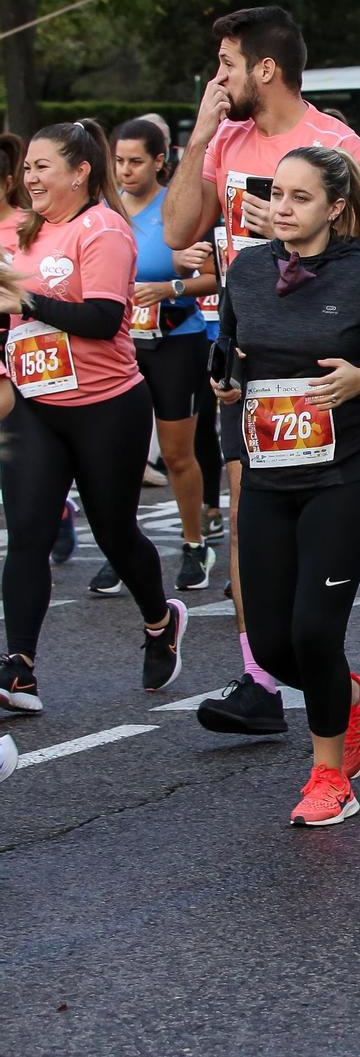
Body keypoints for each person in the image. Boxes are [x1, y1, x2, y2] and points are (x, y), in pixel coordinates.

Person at [159, 6, 360, 738]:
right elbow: (177, 231)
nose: (218, 77)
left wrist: (294, 231)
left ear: (265, 68)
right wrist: (201, 135)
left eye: (227, 64)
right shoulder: (226, 139)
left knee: (353, 516)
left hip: (327, 353)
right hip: (248, 351)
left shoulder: (335, 144)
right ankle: (260, 677)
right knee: (247, 501)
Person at [214, 147, 360, 825]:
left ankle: (330, 774)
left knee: (315, 629)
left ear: (335, 207)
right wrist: (226, 377)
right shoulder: (247, 270)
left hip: (346, 473)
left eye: (299, 197)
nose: (282, 206)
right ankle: (352, 694)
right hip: (270, 473)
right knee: (274, 645)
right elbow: (230, 351)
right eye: (277, 193)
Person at [0, 122, 187, 714]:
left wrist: (26, 300)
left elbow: (106, 319)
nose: (30, 177)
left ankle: (159, 621)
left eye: (42, 167)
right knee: (26, 533)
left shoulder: (103, 228)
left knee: (115, 530)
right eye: (27, 167)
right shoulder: (21, 232)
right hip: (34, 405)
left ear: (80, 172)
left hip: (106, 406)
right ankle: (19, 670)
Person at [104, 118, 218, 592]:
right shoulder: (105, 211)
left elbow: (215, 278)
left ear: (159, 160)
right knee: (117, 455)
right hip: (119, 346)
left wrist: (168, 287)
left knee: (175, 454)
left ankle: (195, 544)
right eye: (119, 161)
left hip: (175, 341)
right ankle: (122, 549)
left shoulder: (176, 211)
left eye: (135, 161)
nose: (126, 171)